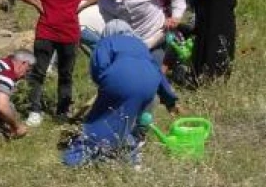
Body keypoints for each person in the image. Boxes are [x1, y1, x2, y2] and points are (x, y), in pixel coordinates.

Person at [62, 21, 180, 168]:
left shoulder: (106, 41)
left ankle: (78, 156)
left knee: (101, 119)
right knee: (128, 120)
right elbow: (156, 71)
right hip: (149, 84)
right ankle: (130, 156)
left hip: (120, 79)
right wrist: (170, 101)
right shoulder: (140, 45)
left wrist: (105, 84)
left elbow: (99, 66)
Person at [11, 0, 101, 126]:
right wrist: (35, 3)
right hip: (46, 31)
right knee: (38, 72)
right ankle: (34, 110)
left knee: (66, 74)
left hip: (70, 33)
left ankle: (62, 110)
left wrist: (83, 6)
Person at [96, 0, 186, 65]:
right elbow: (114, 27)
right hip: (139, 46)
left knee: (160, 71)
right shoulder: (104, 3)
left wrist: (176, 17)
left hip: (162, 34)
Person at [185, 0, 237, 84]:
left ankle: (202, 80)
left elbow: (194, 3)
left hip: (209, 27)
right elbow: (234, 1)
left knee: (207, 49)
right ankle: (221, 78)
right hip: (227, 25)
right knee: (223, 48)